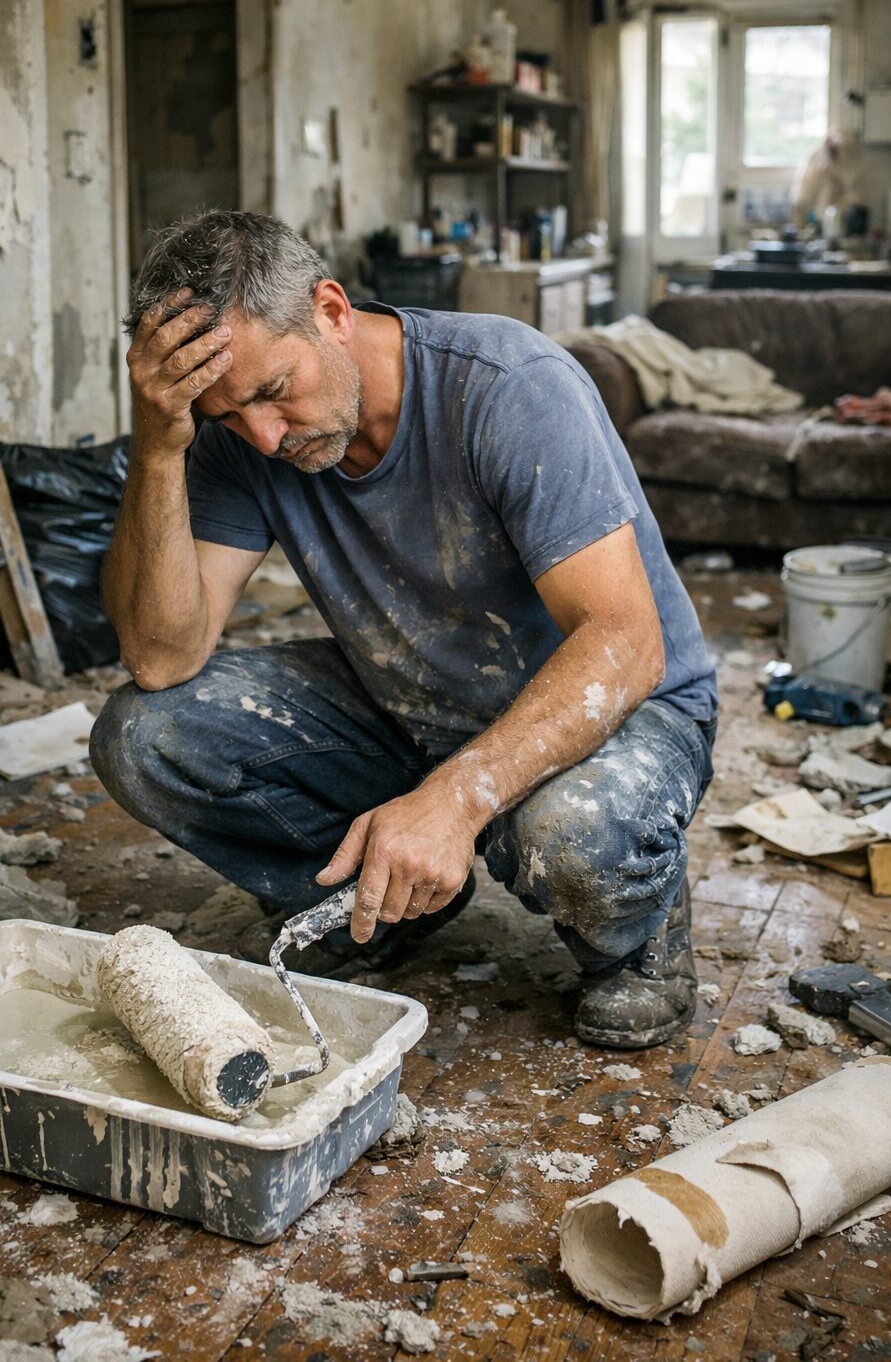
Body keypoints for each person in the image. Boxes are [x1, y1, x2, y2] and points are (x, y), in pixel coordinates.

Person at [91, 210, 718, 1050]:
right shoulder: (241, 438)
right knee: (145, 733)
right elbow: (160, 657)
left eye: (274, 392)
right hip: (413, 699)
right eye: (224, 416)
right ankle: (379, 903)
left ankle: (639, 941)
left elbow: (625, 643)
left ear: (332, 309)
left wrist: (455, 801)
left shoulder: (507, 384)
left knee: (575, 833)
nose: (265, 438)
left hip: (613, 709)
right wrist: (163, 444)